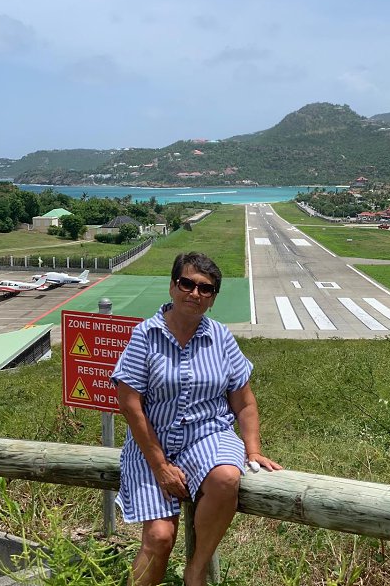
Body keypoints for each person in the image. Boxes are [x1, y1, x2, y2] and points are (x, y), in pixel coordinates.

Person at [112, 251, 282, 586]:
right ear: (172, 286)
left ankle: (196, 570)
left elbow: (244, 401)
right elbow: (130, 405)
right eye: (187, 284)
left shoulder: (220, 337)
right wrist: (160, 466)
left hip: (207, 434)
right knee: (160, 537)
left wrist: (253, 450)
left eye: (206, 288)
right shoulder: (145, 336)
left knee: (226, 478)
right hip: (154, 441)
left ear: (213, 298)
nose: (195, 293)